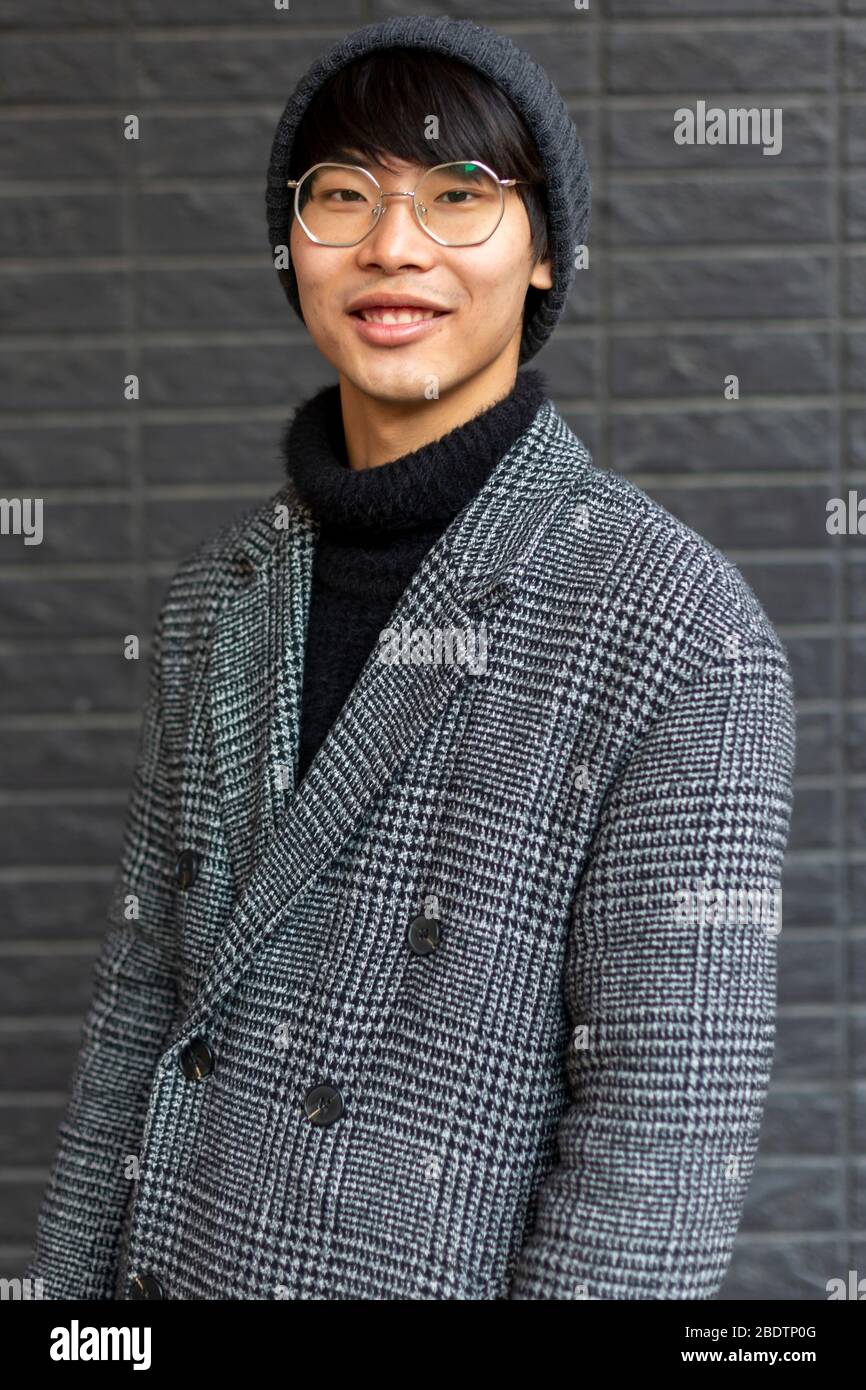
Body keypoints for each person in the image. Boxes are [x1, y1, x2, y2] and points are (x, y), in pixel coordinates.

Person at [25, 15, 795, 1301]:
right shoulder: (222, 593)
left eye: (458, 197)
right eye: (344, 197)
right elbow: (137, 1010)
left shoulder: (672, 626)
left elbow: (656, 1157)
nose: (393, 247)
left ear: (546, 255)